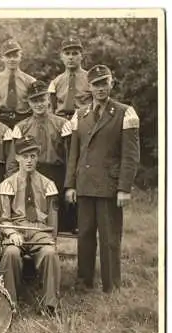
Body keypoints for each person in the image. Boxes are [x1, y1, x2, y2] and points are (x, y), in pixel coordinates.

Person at [65, 64, 140, 293]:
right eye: (96, 84)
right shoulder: (80, 114)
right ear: (89, 86)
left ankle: (111, 287)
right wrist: (70, 184)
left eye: (104, 83)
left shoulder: (124, 113)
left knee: (109, 239)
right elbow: (74, 154)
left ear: (111, 84)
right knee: (85, 236)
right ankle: (84, 282)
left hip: (109, 186)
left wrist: (124, 188)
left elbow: (130, 155)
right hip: (85, 185)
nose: (100, 88)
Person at [0, 135, 61, 316]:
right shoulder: (8, 184)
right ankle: (10, 303)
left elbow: (52, 218)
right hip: (16, 229)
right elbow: (3, 218)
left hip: (39, 231)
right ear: (17, 158)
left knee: (49, 253)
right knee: (10, 253)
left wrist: (52, 240)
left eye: (33, 156)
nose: (29, 160)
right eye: (25, 156)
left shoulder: (48, 184)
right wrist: (11, 233)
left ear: (37, 158)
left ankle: (50, 305)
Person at [7, 80, 76, 233]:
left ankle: (60, 246)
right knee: (31, 211)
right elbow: (13, 158)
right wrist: (13, 180)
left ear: (48, 100)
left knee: (57, 212)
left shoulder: (62, 124)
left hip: (56, 173)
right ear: (29, 103)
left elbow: (71, 157)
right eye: (34, 100)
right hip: (30, 171)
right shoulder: (21, 127)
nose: (39, 104)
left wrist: (70, 184)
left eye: (42, 99)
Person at [0, 39, 36, 129]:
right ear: (2, 58)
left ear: (20, 57)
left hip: (24, 120)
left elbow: (35, 104)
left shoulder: (30, 81)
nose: (12, 59)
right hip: (1, 120)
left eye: (15, 56)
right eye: (8, 56)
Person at [48, 37, 90, 120]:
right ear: (61, 57)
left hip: (84, 121)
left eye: (75, 53)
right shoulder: (56, 82)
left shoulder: (90, 78)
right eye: (67, 54)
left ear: (82, 56)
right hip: (62, 122)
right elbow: (51, 109)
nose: (71, 57)